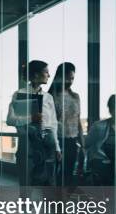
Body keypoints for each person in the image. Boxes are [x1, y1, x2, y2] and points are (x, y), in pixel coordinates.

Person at [6, 60, 61, 188]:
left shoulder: (48, 97)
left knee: (49, 184)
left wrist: (57, 148)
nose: (49, 75)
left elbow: (53, 124)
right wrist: (31, 118)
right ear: (36, 75)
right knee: (26, 186)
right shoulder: (19, 95)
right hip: (27, 145)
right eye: (46, 72)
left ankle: (46, 208)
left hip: (48, 144)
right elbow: (10, 120)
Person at [48, 62, 83, 187]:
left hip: (72, 141)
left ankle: (62, 203)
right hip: (57, 140)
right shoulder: (51, 96)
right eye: (67, 77)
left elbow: (78, 120)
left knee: (69, 175)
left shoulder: (75, 97)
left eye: (72, 78)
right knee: (56, 176)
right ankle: (55, 204)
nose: (70, 81)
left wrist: (82, 144)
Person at [85, 94, 116, 185]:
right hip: (102, 162)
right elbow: (87, 144)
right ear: (110, 110)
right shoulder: (98, 126)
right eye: (115, 108)